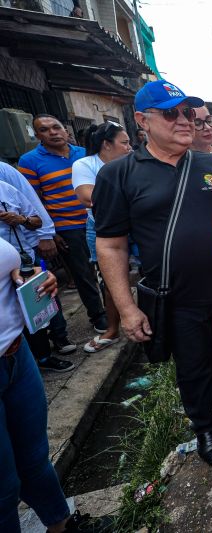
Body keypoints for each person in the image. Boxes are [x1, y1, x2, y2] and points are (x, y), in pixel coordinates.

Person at [93, 80, 212, 466]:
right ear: (142, 121)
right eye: (170, 113)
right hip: (176, 299)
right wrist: (127, 309)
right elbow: (111, 246)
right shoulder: (119, 175)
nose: (184, 120)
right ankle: (205, 426)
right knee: (192, 367)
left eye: (188, 112)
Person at [0, 237, 112, 533]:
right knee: (3, 489)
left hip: (16, 353)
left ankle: (61, 526)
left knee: (35, 459)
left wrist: (29, 278)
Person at [17, 115, 108, 341]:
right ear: (37, 135)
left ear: (65, 130)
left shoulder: (83, 153)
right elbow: (33, 200)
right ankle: (98, 315)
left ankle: (114, 310)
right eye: (44, 129)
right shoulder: (30, 161)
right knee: (83, 274)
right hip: (67, 226)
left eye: (56, 127)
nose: (52, 132)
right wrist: (51, 233)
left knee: (107, 268)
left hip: (97, 220)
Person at [0, 163, 73, 371]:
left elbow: (37, 220)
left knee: (35, 309)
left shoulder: (6, 188)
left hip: (23, 262)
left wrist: (21, 219)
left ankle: (43, 358)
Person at [72, 122, 132, 353]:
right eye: (124, 143)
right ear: (107, 144)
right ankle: (112, 329)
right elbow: (88, 198)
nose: (129, 147)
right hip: (101, 228)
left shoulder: (133, 162)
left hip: (137, 226)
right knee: (110, 280)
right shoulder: (85, 164)